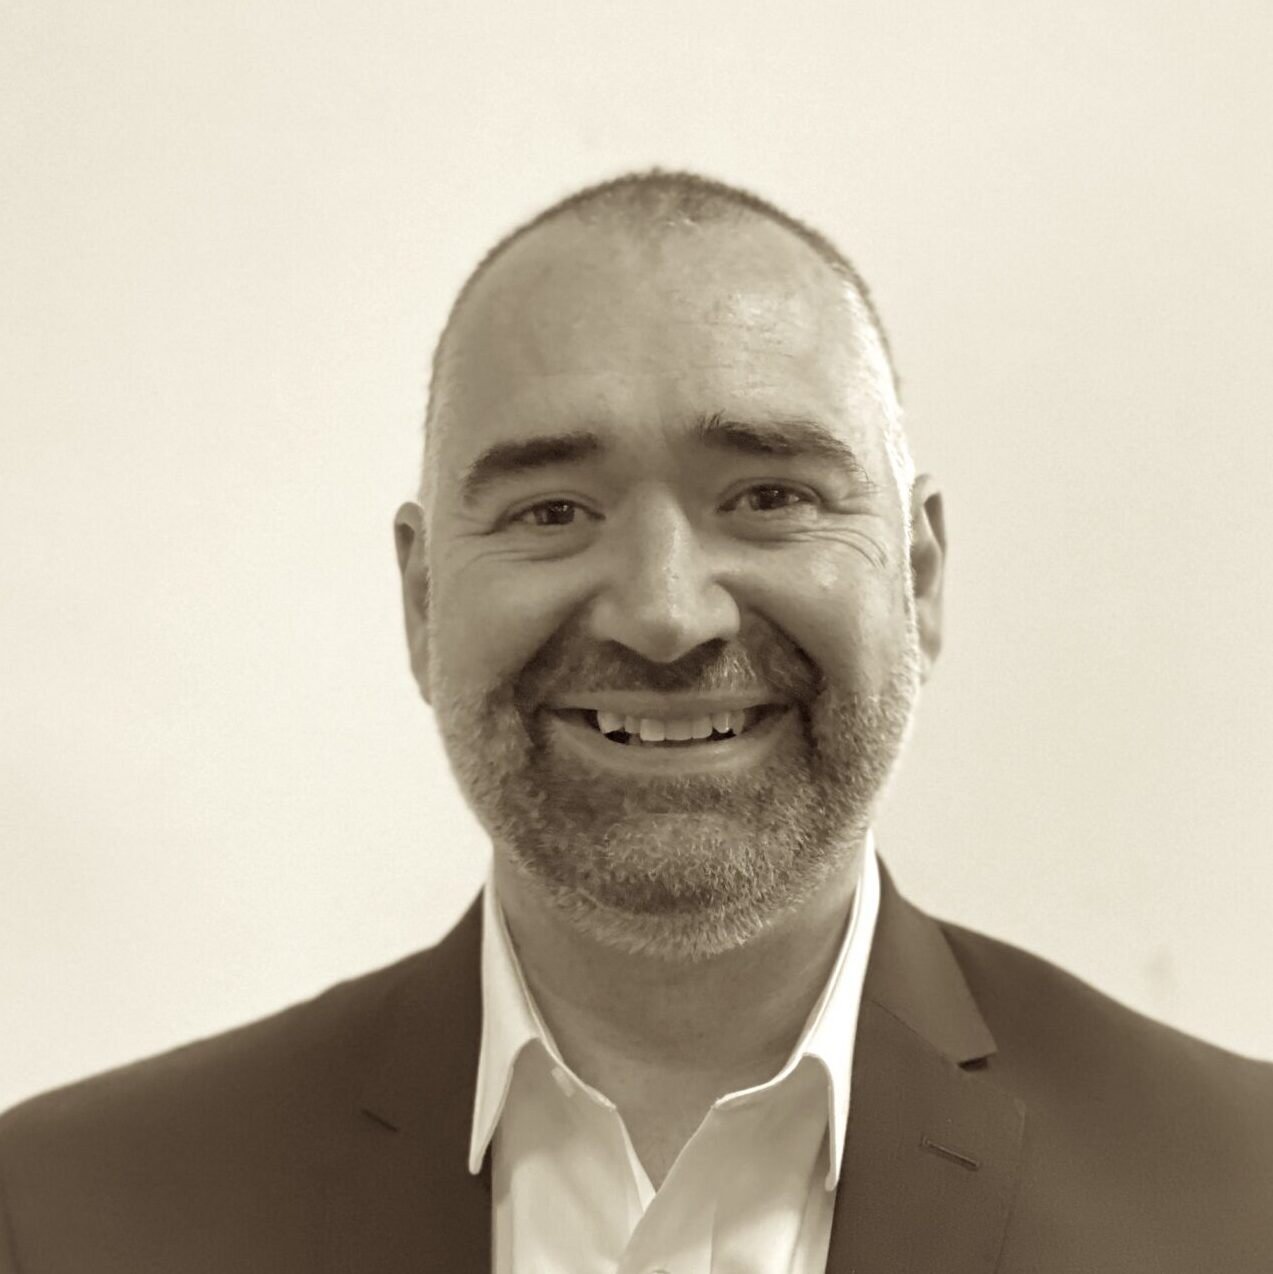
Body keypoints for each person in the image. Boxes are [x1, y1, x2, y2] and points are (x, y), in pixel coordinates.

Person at [1, 169, 1270, 1273]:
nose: (666, 612)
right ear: (423, 600)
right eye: (552, 510)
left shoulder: (1240, 1201)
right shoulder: (65, 1216)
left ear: (918, 577)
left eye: (768, 496)